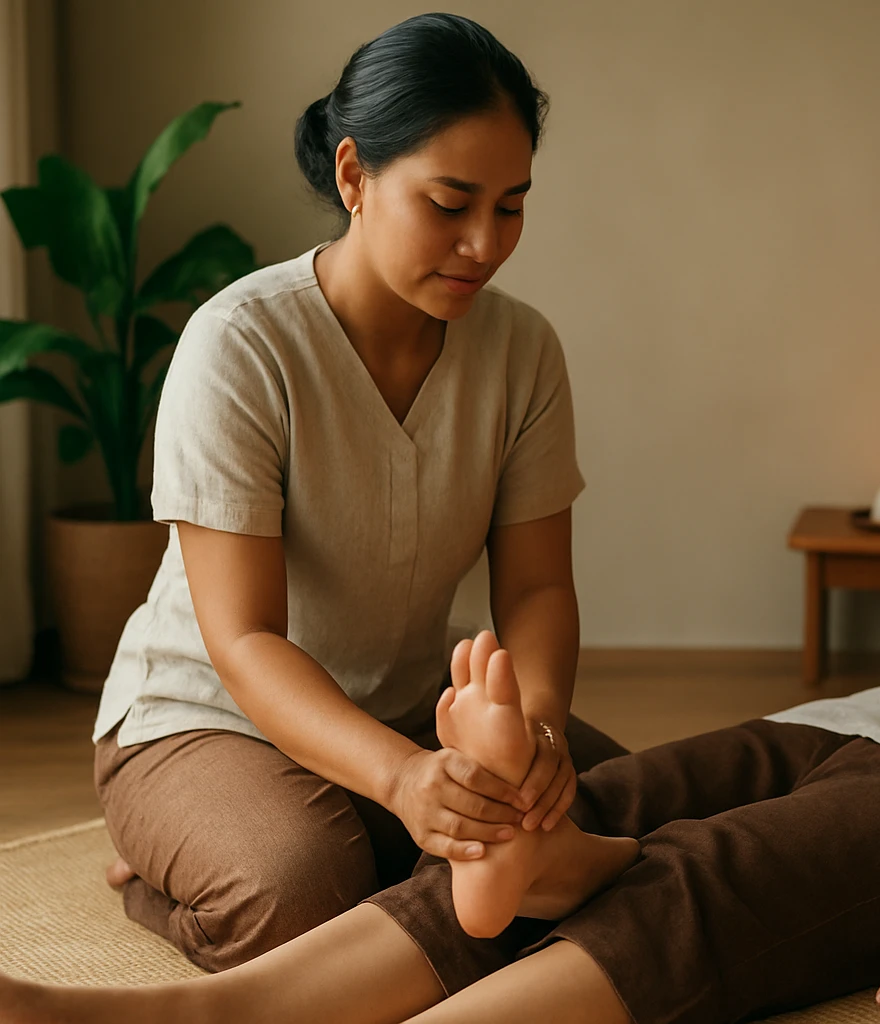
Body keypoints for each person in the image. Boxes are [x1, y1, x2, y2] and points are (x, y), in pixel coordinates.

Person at [4, 443, 880, 1024]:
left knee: (701, 894)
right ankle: (174, 1013)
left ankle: (560, 880)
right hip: (824, 730)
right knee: (570, 803)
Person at [86, 12, 629, 972]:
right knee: (305, 891)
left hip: (416, 709)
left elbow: (539, 588)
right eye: (450, 202)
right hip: (210, 716)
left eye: (510, 206)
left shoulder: (523, 350)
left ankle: (392, 838)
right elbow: (244, 640)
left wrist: (536, 728)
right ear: (353, 177)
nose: (483, 244)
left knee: (632, 806)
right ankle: (160, 876)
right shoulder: (240, 345)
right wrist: (402, 779)